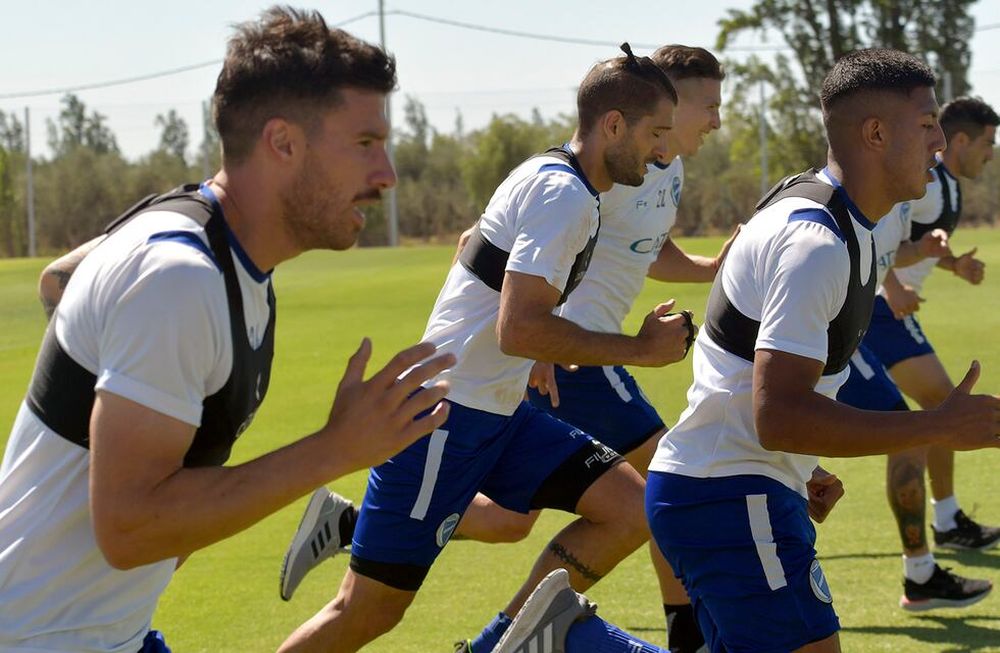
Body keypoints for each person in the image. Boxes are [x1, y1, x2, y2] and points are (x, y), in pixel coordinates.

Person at [481, 47, 1000, 653]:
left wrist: (801, 469)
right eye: (928, 124)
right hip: (731, 494)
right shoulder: (816, 242)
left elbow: (749, 383)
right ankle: (574, 643)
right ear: (877, 133)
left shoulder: (834, 220)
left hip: (735, 488)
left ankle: (569, 638)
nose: (940, 141)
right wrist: (934, 425)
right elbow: (776, 414)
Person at [0, 8, 455, 652]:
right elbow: (128, 529)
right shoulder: (177, 278)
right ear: (283, 142)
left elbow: (59, 281)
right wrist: (337, 449)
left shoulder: (209, 254)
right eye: (364, 144)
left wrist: (100, 353)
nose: (386, 175)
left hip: (108, 635)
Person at [276, 45, 732, 653]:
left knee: (631, 507)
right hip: (443, 418)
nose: (660, 151)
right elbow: (517, 330)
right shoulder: (563, 194)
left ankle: (502, 643)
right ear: (614, 125)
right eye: (654, 134)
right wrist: (641, 349)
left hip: (500, 412)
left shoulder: (579, 191)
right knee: (364, 614)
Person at [837, 96, 1000, 611]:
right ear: (962, 141)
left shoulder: (941, 185)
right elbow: (874, 230)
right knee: (931, 416)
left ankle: (946, 524)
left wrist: (949, 264)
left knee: (937, 411)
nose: (992, 155)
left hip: (887, 310)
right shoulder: (922, 183)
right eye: (989, 144)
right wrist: (890, 285)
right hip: (879, 313)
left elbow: (905, 243)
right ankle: (931, 553)